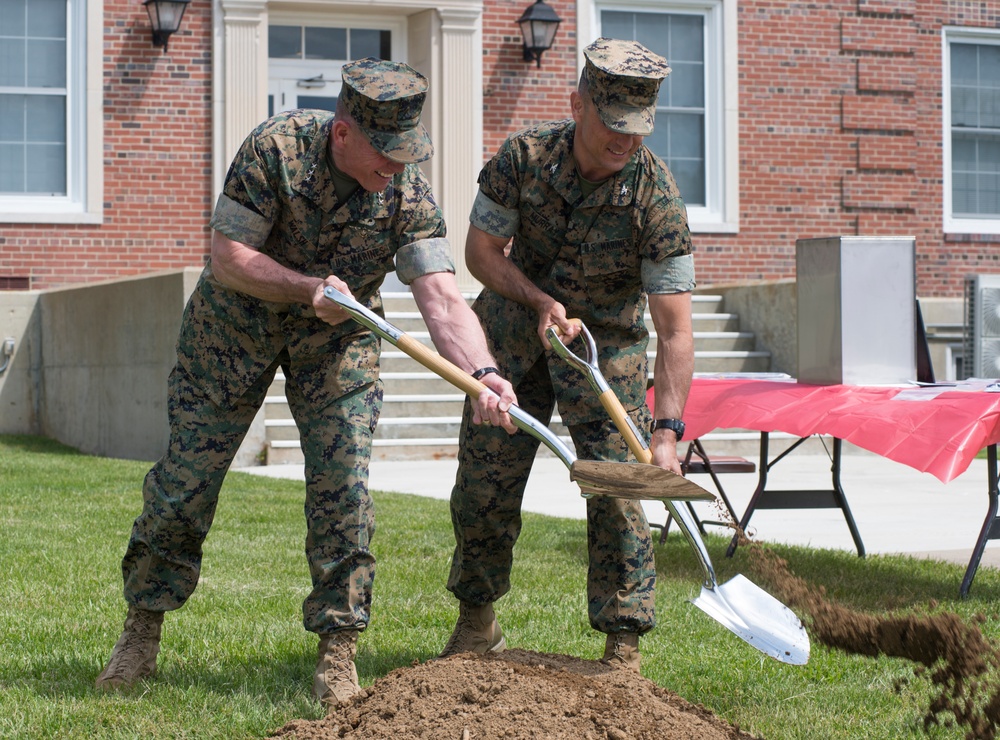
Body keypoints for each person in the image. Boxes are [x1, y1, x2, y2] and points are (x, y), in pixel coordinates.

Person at [95, 58, 516, 709]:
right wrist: (303, 288)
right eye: (386, 151)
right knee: (184, 486)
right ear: (342, 133)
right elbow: (229, 258)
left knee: (344, 486)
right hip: (234, 329)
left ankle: (338, 647)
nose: (397, 166)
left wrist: (482, 372)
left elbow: (441, 297)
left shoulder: (405, 194)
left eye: (408, 153)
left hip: (336, 344)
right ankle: (141, 628)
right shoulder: (275, 149)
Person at [439, 38, 695, 671]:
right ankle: (477, 624)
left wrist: (667, 433)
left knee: (618, 491)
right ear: (577, 104)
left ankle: (623, 649)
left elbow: (675, 332)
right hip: (511, 334)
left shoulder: (658, 200)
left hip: (605, 350)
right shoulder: (523, 159)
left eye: (637, 130)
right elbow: (480, 253)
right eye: (612, 126)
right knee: (484, 485)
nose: (625, 142)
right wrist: (537, 299)